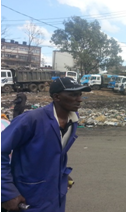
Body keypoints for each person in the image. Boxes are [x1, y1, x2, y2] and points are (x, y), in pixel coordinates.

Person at [1, 77, 91, 212]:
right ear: (57, 97)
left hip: (55, 196)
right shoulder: (32, 120)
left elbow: (54, 152)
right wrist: (7, 193)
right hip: (28, 196)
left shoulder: (72, 119)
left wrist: (61, 174)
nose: (79, 99)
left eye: (80, 94)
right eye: (73, 95)